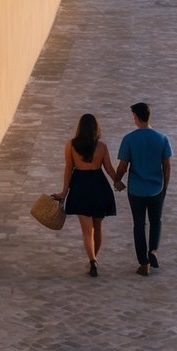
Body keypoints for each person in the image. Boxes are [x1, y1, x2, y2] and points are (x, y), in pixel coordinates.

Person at [54, 113, 123, 277]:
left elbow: (69, 169)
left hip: (80, 186)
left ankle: (92, 260)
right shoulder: (102, 147)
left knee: (87, 230)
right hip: (99, 186)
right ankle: (94, 259)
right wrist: (116, 181)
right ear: (95, 128)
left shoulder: (70, 145)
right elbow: (109, 168)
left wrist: (64, 192)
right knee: (98, 227)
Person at [115, 102, 172, 276]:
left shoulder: (129, 139)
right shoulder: (162, 138)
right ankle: (153, 249)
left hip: (136, 190)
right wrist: (165, 187)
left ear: (137, 118)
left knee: (139, 225)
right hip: (156, 189)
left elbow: (123, 166)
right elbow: (167, 166)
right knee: (156, 221)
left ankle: (143, 263)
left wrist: (117, 180)